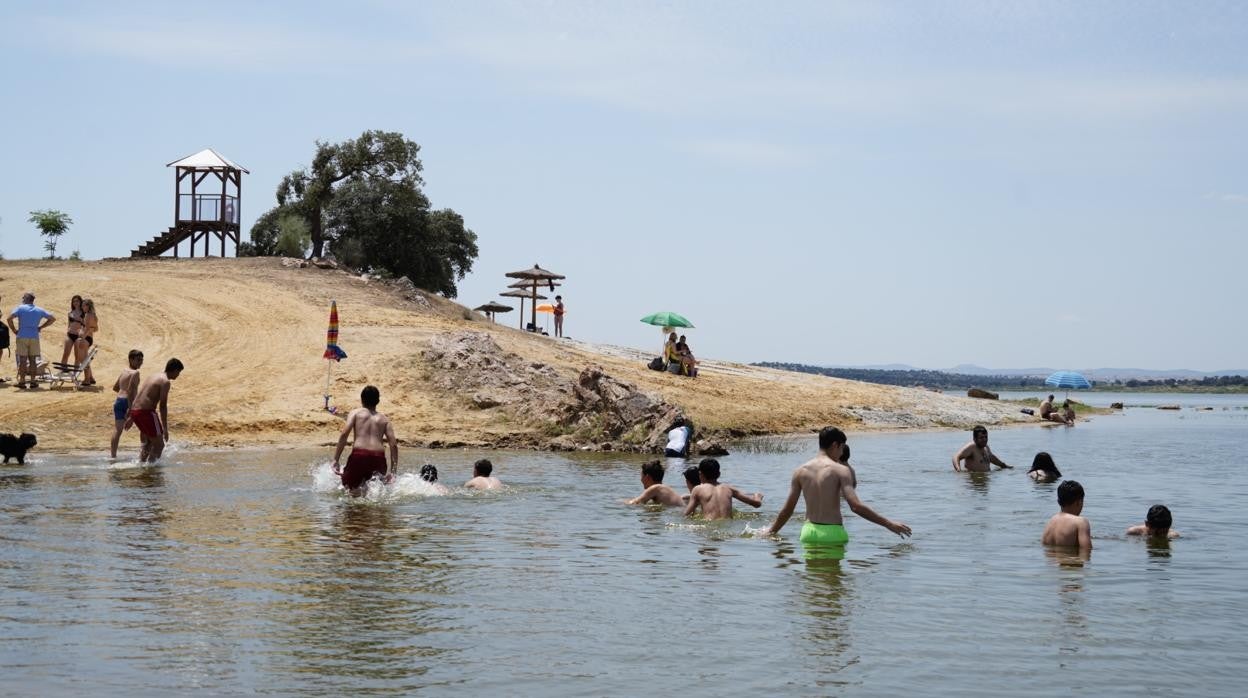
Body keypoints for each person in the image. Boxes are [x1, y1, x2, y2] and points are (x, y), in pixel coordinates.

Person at [762, 427, 911, 549]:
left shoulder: (800, 470)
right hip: (832, 534)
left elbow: (788, 510)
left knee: (812, 583)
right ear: (835, 445)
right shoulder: (841, 470)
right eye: (841, 449)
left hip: (808, 533)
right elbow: (856, 507)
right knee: (834, 584)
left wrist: (771, 531)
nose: (841, 454)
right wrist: (889, 524)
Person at [332, 385, 398, 495]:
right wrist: (393, 472)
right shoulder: (385, 420)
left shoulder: (356, 413)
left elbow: (344, 434)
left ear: (361, 399)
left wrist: (336, 459)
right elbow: (394, 445)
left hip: (359, 456)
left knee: (349, 491)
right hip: (378, 458)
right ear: (378, 401)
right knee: (373, 493)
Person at [129, 358, 184, 463]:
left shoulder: (153, 376)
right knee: (159, 445)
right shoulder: (165, 381)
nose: (178, 375)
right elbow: (163, 406)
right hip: (147, 413)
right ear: (175, 370)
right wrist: (165, 428)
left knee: (149, 442)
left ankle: (141, 465)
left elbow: (140, 395)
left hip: (136, 411)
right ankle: (151, 470)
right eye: (179, 372)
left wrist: (131, 416)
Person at [684, 458, 763, 520]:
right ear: (719, 474)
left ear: (700, 474)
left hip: (709, 526)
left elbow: (687, 515)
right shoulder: (729, 488)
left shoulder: (698, 489)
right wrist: (758, 496)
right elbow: (756, 504)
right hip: (728, 528)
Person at [6, 292, 56, 390]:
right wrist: (41, 327)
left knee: (23, 360)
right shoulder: (39, 309)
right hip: (34, 336)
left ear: (26, 299)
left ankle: (22, 381)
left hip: (22, 336)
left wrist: (14, 330)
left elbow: (9, 319)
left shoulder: (20, 308)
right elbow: (52, 318)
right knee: (33, 360)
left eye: (23, 297)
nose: (22, 299)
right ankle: (33, 382)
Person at [109, 349, 144, 459]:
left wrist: (123, 393)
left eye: (142, 360)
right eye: (138, 360)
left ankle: (113, 456)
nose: (140, 362)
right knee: (144, 428)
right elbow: (130, 391)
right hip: (130, 403)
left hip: (118, 400)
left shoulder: (124, 371)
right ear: (131, 359)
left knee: (117, 430)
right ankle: (144, 454)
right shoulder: (136, 373)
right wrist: (130, 408)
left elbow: (115, 387)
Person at [1041, 480, 1091, 549]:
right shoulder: (1081, 522)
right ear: (1079, 502)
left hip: (1052, 560)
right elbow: (1086, 551)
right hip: (1070, 560)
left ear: (1058, 502)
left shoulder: (1051, 522)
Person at [59, 295, 84, 368]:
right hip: (70, 335)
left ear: (80, 302)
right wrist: (68, 330)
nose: (75, 303)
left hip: (78, 336)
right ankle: (62, 370)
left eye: (77, 301)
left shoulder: (83, 313)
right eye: (74, 301)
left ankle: (75, 374)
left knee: (77, 355)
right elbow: (69, 324)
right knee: (66, 354)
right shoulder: (70, 313)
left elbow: (85, 325)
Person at [78, 298, 98, 385]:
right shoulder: (94, 315)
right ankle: (91, 377)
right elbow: (96, 329)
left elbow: (86, 328)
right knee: (85, 359)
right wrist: (90, 329)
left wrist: (82, 339)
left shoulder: (88, 315)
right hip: (89, 338)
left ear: (88, 306)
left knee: (84, 360)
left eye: (83, 305)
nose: (82, 307)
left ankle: (87, 380)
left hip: (85, 339)